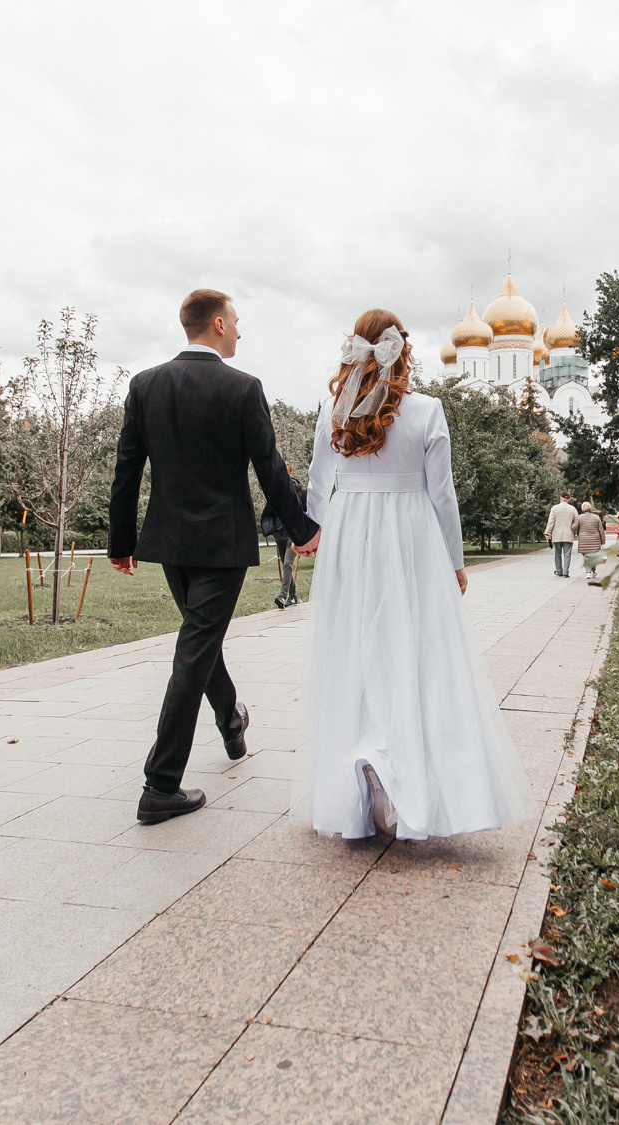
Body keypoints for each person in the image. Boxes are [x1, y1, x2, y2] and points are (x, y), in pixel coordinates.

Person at [300, 309, 526, 840]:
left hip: (350, 532)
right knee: (416, 647)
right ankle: (405, 768)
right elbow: (442, 493)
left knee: (352, 646)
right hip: (410, 535)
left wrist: (315, 534)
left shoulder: (334, 410)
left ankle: (362, 760)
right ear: (402, 351)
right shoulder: (427, 410)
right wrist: (454, 560)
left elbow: (317, 482)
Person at [108, 289, 319, 825]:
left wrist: (121, 542)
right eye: (237, 322)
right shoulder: (243, 388)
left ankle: (230, 719)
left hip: (170, 543)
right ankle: (160, 785)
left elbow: (127, 470)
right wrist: (303, 530)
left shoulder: (145, 385)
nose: (240, 332)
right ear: (218, 324)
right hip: (223, 545)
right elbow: (270, 467)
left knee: (199, 643)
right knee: (195, 647)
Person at [261, 462, 307, 608]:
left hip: (293, 535)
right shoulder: (275, 492)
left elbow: (308, 512)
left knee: (287, 564)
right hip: (279, 534)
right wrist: (272, 529)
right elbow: (268, 512)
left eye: (286, 473)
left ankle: (282, 596)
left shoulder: (301, 492)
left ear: (291, 474)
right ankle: (293, 597)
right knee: (286, 565)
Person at [544, 492, 578, 578]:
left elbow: (551, 522)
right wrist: (574, 531)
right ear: (568, 499)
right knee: (567, 554)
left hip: (557, 535)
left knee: (557, 554)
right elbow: (576, 522)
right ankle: (566, 572)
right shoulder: (572, 509)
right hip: (568, 534)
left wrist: (547, 532)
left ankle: (559, 571)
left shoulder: (555, 508)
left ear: (560, 498)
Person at [574, 501, 605, 579]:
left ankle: (588, 572)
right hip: (595, 540)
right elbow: (601, 530)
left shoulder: (579, 517)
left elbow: (574, 528)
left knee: (586, 556)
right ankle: (593, 571)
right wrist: (603, 541)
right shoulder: (596, 517)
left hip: (584, 540)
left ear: (582, 508)